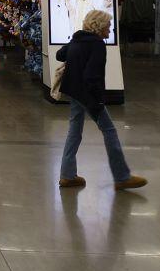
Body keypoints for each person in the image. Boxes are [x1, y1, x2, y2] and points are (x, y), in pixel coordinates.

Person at [55, 10, 146, 190]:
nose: (110, 30)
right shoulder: (97, 45)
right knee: (109, 130)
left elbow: (60, 55)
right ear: (99, 27)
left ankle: (67, 175)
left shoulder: (77, 40)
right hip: (87, 95)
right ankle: (122, 176)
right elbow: (92, 77)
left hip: (73, 92)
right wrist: (98, 102)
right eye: (108, 26)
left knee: (74, 131)